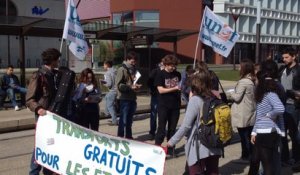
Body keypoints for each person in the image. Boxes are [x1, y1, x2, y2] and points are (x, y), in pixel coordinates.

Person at [167, 70, 222, 175]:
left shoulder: (195, 100)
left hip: (200, 146)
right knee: (213, 171)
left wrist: (172, 141)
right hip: (215, 142)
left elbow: (186, 126)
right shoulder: (215, 96)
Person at [26, 48, 61, 175]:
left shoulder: (55, 75)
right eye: (57, 59)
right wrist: (38, 109)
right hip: (43, 116)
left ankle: (48, 170)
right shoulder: (38, 75)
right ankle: (34, 172)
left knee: (51, 144)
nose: (59, 61)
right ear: (52, 60)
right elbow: (29, 99)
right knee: (41, 144)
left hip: (54, 115)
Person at [248, 70, 285, 175]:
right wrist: (254, 132)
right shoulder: (262, 94)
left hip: (268, 132)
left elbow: (280, 108)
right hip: (261, 131)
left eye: (256, 80)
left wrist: (270, 115)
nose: (255, 82)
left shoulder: (270, 94)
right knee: (255, 159)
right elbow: (259, 116)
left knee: (266, 163)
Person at [228, 59, 256, 161]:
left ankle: (246, 156)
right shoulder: (252, 79)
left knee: (244, 136)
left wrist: (231, 92)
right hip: (250, 110)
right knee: (249, 135)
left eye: (240, 66)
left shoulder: (243, 82)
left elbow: (237, 97)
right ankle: (251, 155)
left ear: (244, 68)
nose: (239, 68)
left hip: (243, 112)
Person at [154, 54, 181, 156]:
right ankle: (157, 147)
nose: (173, 68)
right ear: (166, 64)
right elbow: (160, 90)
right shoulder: (160, 74)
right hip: (163, 105)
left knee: (172, 128)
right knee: (161, 128)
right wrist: (174, 88)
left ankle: (171, 148)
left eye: (174, 66)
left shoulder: (177, 74)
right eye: (171, 65)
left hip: (175, 105)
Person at [278, 47, 300, 170]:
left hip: (293, 106)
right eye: (283, 57)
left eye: (286, 57)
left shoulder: (298, 70)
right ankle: (284, 158)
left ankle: (297, 158)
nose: (284, 59)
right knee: (282, 133)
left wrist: (294, 94)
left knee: (293, 134)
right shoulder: (282, 69)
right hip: (281, 105)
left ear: (294, 57)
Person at [115, 51, 141, 139]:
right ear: (127, 60)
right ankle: (120, 137)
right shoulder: (122, 69)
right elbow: (118, 85)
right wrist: (130, 87)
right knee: (123, 119)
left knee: (130, 120)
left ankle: (129, 136)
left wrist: (136, 86)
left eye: (135, 61)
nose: (134, 63)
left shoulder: (134, 69)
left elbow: (134, 81)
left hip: (132, 97)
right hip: (124, 98)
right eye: (132, 61)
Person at [147, 61, 164, 139]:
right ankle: (152, 132)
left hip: (164, 96)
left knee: (162, 115)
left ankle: (160, 131)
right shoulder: (155, 71)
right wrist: (153, 90)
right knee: (154, 114)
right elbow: (149, 82)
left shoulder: (167, 72)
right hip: (156, 95)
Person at [102, 60, 118, 125]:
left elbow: (109, 84)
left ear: (107, 65)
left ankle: (114, 121)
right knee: (106, 97)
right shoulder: (115, 71)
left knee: (110, 106)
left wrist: (103, 83)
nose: (103, 66)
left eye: (104, 65)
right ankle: (106, 113)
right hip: (116, 90)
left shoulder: (108, 73)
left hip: (112, 90)